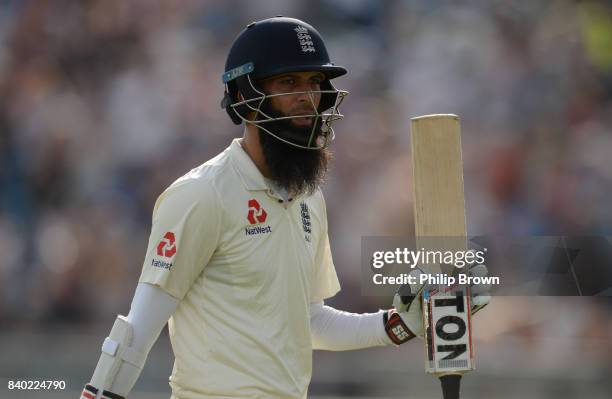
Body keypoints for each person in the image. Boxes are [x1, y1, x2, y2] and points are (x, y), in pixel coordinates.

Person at [80, 16, 490, 399]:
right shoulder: (201, 195)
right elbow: (135, 333)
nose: (307, 98)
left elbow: (308, 321)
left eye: (314, 82)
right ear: (245, 95)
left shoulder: (309, 198)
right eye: (289, 82)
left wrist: (397, 326)